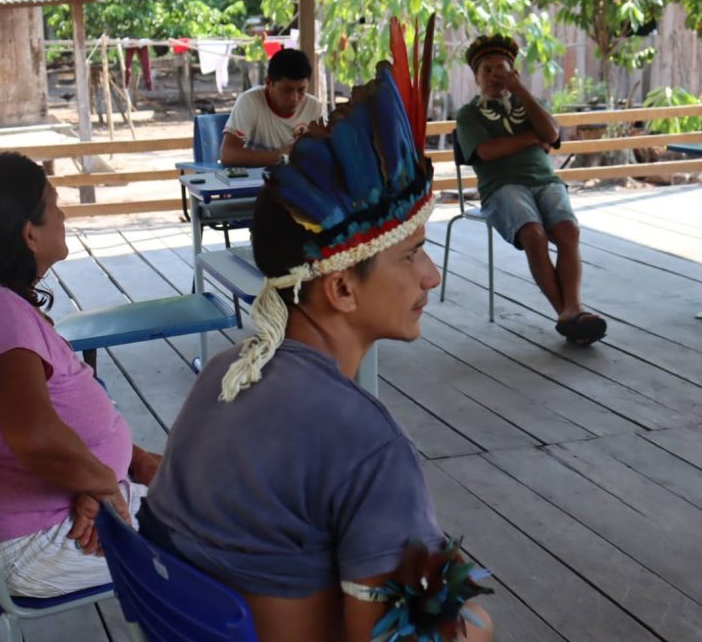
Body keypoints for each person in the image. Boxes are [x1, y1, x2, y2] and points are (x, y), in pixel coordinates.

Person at [141, 63, 493, 640]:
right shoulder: (367, 443)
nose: (430, 277)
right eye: (411, 256)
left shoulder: (229, 371)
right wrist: (472, 615)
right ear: (341, 289)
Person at [0, 153, 161, 598]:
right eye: (55, 204)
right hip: (37, 545)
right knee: (239, 528)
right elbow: (35, 437)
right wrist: (103, 484)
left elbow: (52, 422)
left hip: (29, 526)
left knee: (203, 484)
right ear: (29, 233)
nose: (64, 214)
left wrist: (127, 461)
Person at [455, 34, 606, 345]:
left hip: (544, 181)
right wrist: (530, 139)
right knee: (533, 234)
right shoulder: (469, 114)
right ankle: (567, 314)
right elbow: (488, 151)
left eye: (502, 70)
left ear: (515, 74)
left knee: (568, 230)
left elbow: (551, 133)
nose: (495, 76)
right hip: (501, 187)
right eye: (487, 70)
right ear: (476, 78)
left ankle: (572, 310)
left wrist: (520, 90)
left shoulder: (529, 105)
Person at [219, 48, 324, 167]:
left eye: (301, 90)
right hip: (255, 182)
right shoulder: (250, 101)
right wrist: (281, 157)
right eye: (287, 90)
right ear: (269, 83)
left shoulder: (314, 107)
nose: (294, 98)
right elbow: (227, 155)